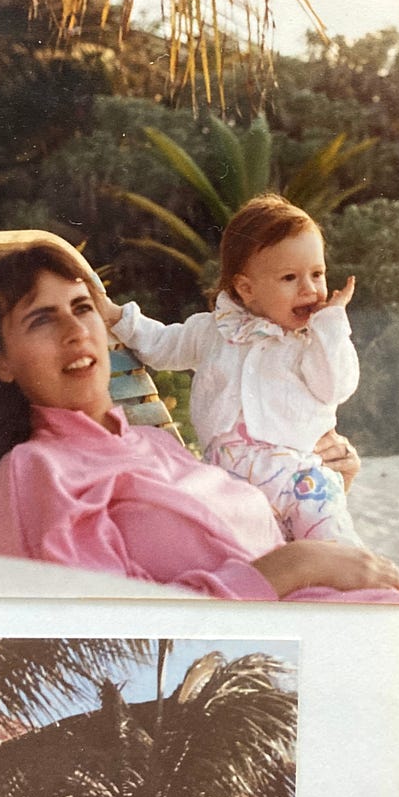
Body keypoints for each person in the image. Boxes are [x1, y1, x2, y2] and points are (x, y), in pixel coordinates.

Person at [0, 242, 399, 604]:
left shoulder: (155, 445)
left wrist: (330, 486)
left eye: (83, 309)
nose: (77, 330)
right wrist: (297, 565)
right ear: (0, 362)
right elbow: (108, 636)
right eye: (42, 320)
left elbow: (240, 541)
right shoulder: (37, 471)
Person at [96, 194, 366, 546]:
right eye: (290, 277)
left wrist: (331, 326)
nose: (310, 289)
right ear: (246, 288)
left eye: (317, 274)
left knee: (334, 547)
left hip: (300, 480)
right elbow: (162, 346)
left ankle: (357, 591)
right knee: (246, 550)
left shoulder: (314, 343)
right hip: (225, 480)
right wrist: (118, 316)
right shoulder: (213, 331)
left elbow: (337, 387)